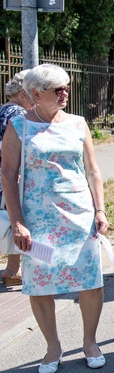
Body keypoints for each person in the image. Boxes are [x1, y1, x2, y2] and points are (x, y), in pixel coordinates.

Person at [1, 64, 109, 373]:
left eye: (66, 87)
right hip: (37, 219)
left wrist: (100, 210)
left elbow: (92, 170)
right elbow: (8, 174)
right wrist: (18, 221)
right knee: (39, 283)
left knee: (90, 279)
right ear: (35, 94)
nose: (65, 93)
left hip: (78, 214)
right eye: (56, 89)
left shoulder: (77, 124)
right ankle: (53, 346)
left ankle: (90, 342)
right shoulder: (19, 126)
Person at [0, 72, 33, 287]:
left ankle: (13, 269)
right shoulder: (18, 113)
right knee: (14, 217)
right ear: (23, 93)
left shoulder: (4, 109)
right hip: (10, 174)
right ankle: (13, 269)